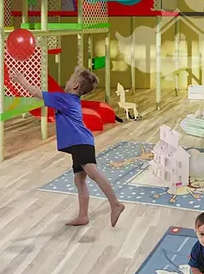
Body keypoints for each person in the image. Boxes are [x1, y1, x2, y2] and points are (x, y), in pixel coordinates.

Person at [11, 67, 125, 227]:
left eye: (70, 79)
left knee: (93, 173)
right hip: (80, 142)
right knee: (79, 180)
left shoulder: (64, 99)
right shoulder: (69, 100)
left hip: (80, 142)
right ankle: (83, 216)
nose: (67, 81)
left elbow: (37, 93)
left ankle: (115, 204)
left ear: (75, 85)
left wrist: (21, 80)